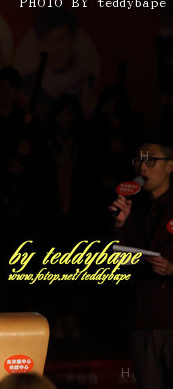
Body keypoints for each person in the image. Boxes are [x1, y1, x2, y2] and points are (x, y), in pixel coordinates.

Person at [109, 139, 173, 389]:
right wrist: (119, 224)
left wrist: (171, 268)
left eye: (151, 160)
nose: (142, 167)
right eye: (138, 160)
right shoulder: (132, 207)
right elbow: (116, 260)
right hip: (143, 317)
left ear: (170, 166)